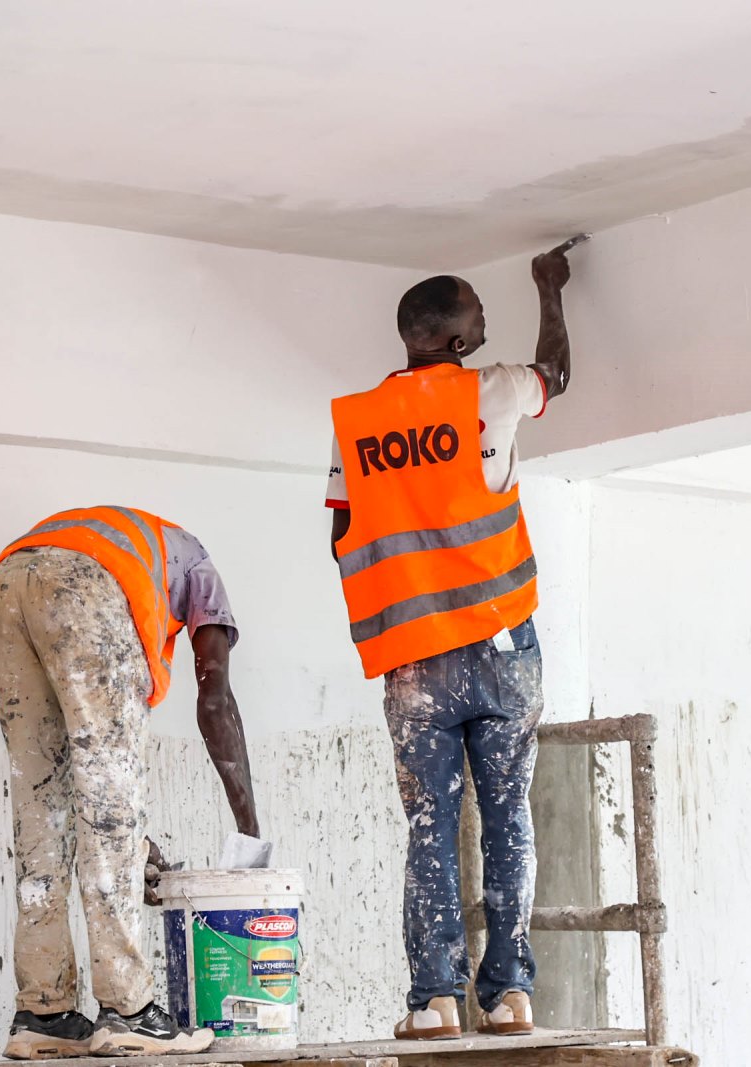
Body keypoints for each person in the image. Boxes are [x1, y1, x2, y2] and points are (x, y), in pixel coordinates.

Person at [325, 236, 586, 1040]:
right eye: (476, 313)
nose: (482, 322)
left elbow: (341, 529)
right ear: (453, 339)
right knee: (507, 813)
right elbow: (560, 375)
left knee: (430, 824)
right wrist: (551, 288)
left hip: (412, 655)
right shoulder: (493, 389)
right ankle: (508, 996)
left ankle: (433, 1000)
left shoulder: (354, 422)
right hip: (501, 642)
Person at [0, 506, 259, 1059]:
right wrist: (250, 830)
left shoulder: (132, 535)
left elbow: (81, 795)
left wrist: (134, 842)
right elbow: (216, 699)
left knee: (40, 812)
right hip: (82, 592)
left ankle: (43, 1014)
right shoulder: (199, 566)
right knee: (111, 804)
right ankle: (130, 1011)